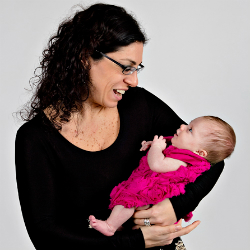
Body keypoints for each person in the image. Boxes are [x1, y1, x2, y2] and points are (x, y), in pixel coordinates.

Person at [15, 3, 225, 250]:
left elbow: (211, 159)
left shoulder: (140, 105)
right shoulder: (36, 139)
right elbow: (45, 236)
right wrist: (138, 241)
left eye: (137, 69)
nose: (133, 81)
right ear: (85, 57)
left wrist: (174, 207)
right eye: (126, 67)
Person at [88, 116, 236, 236]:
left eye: (190, 130)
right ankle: (121, 224)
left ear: (200, 153)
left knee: (129, 201)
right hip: (147, 186)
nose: (183, 126)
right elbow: (167, 143)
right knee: (127, 203)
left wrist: (156, 148)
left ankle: (110, 226)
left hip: (151, 194)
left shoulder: (184, 163)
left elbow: (157, 164)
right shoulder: (183, 149)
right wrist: (153, 144)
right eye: (189, 124)